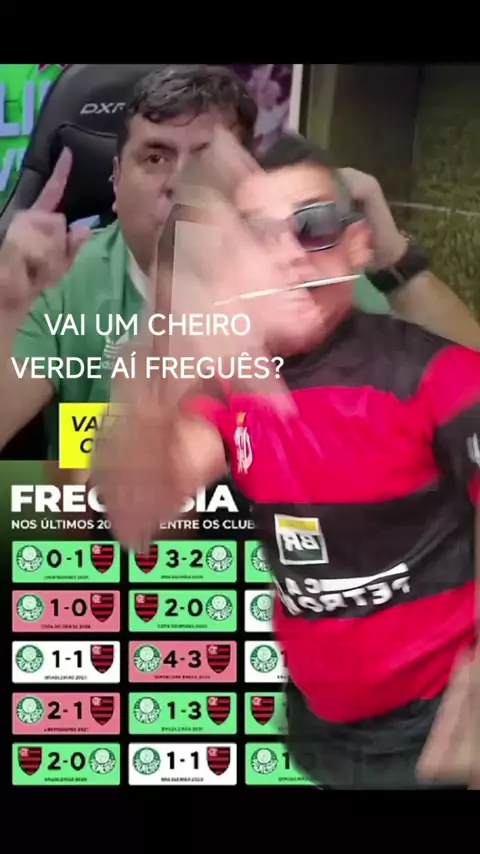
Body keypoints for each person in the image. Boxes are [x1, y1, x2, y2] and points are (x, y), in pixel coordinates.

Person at [94, 131, 480, 790]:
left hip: (438, 725)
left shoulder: (434, 374)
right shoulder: (227, 386)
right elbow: (137, 514)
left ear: (357, 244)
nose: (287, 255)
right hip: (317, 728)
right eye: (255, 236)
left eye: (314, 226)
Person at [1, 65, 479, 459]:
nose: (180, 182)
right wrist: (6, 308)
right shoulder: (67, 280)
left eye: (207, 159)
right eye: (155, 158)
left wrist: (394, 259)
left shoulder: (304, 274)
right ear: (116, 179)